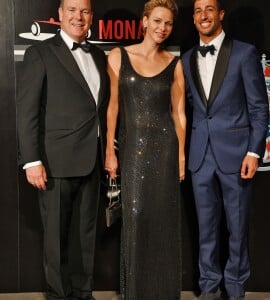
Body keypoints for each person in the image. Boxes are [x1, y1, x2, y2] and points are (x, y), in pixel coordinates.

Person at [16, 0, 110, 299]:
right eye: (71, 10)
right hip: (55, 162)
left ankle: (83, 293)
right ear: (60, 15)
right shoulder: (40, 53)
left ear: (91, 16)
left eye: (84, 11)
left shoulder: (97, 55)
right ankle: (58, 295)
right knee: (56, 240)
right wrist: (31, 160)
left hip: (91, 161)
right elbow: (26, 112)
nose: (78, 17)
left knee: (85, 236)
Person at [182, 0, 269, 299]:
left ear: (220, 15)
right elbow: (193, 109)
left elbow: (259, 108)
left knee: (237, 228)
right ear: (193, 18)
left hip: (236, 155)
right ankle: (208, 287)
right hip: (199, 157)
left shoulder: (244, 53)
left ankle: (235, 287)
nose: (203, 15)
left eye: (209, 9)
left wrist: (254, 152)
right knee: (205, 229)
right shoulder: (187, 59)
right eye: (197, 11)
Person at [105, 0, 186, 298]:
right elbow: (112, 107)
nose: (162, 28)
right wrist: (110, 151)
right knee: (136, 219)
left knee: (163, 219)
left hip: (165, 149)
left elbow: (179, 113)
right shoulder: (118, 56)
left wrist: (180, 156)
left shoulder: (174, 64)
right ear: (144, 21)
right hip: (132, 150)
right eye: (157, 21)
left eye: (167, 23)